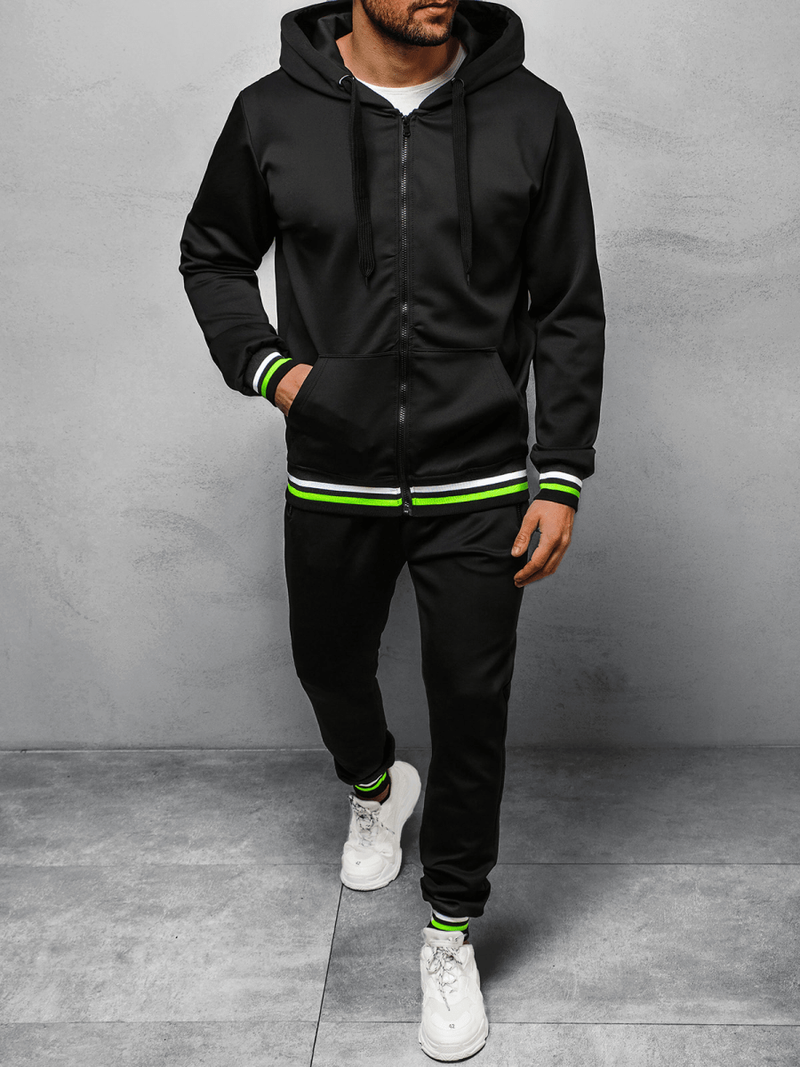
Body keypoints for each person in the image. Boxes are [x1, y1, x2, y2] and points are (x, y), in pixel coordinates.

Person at [179, 0, 604, 1058]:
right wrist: (278, 375)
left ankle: (450, 929)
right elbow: (212, 254)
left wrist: (559, 472)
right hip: (336, 472)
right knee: (327, 663)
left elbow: (566, 304)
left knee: (470, 705)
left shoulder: (531, 115)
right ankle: (375, 787)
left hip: (481, 478)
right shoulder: (272, 113)